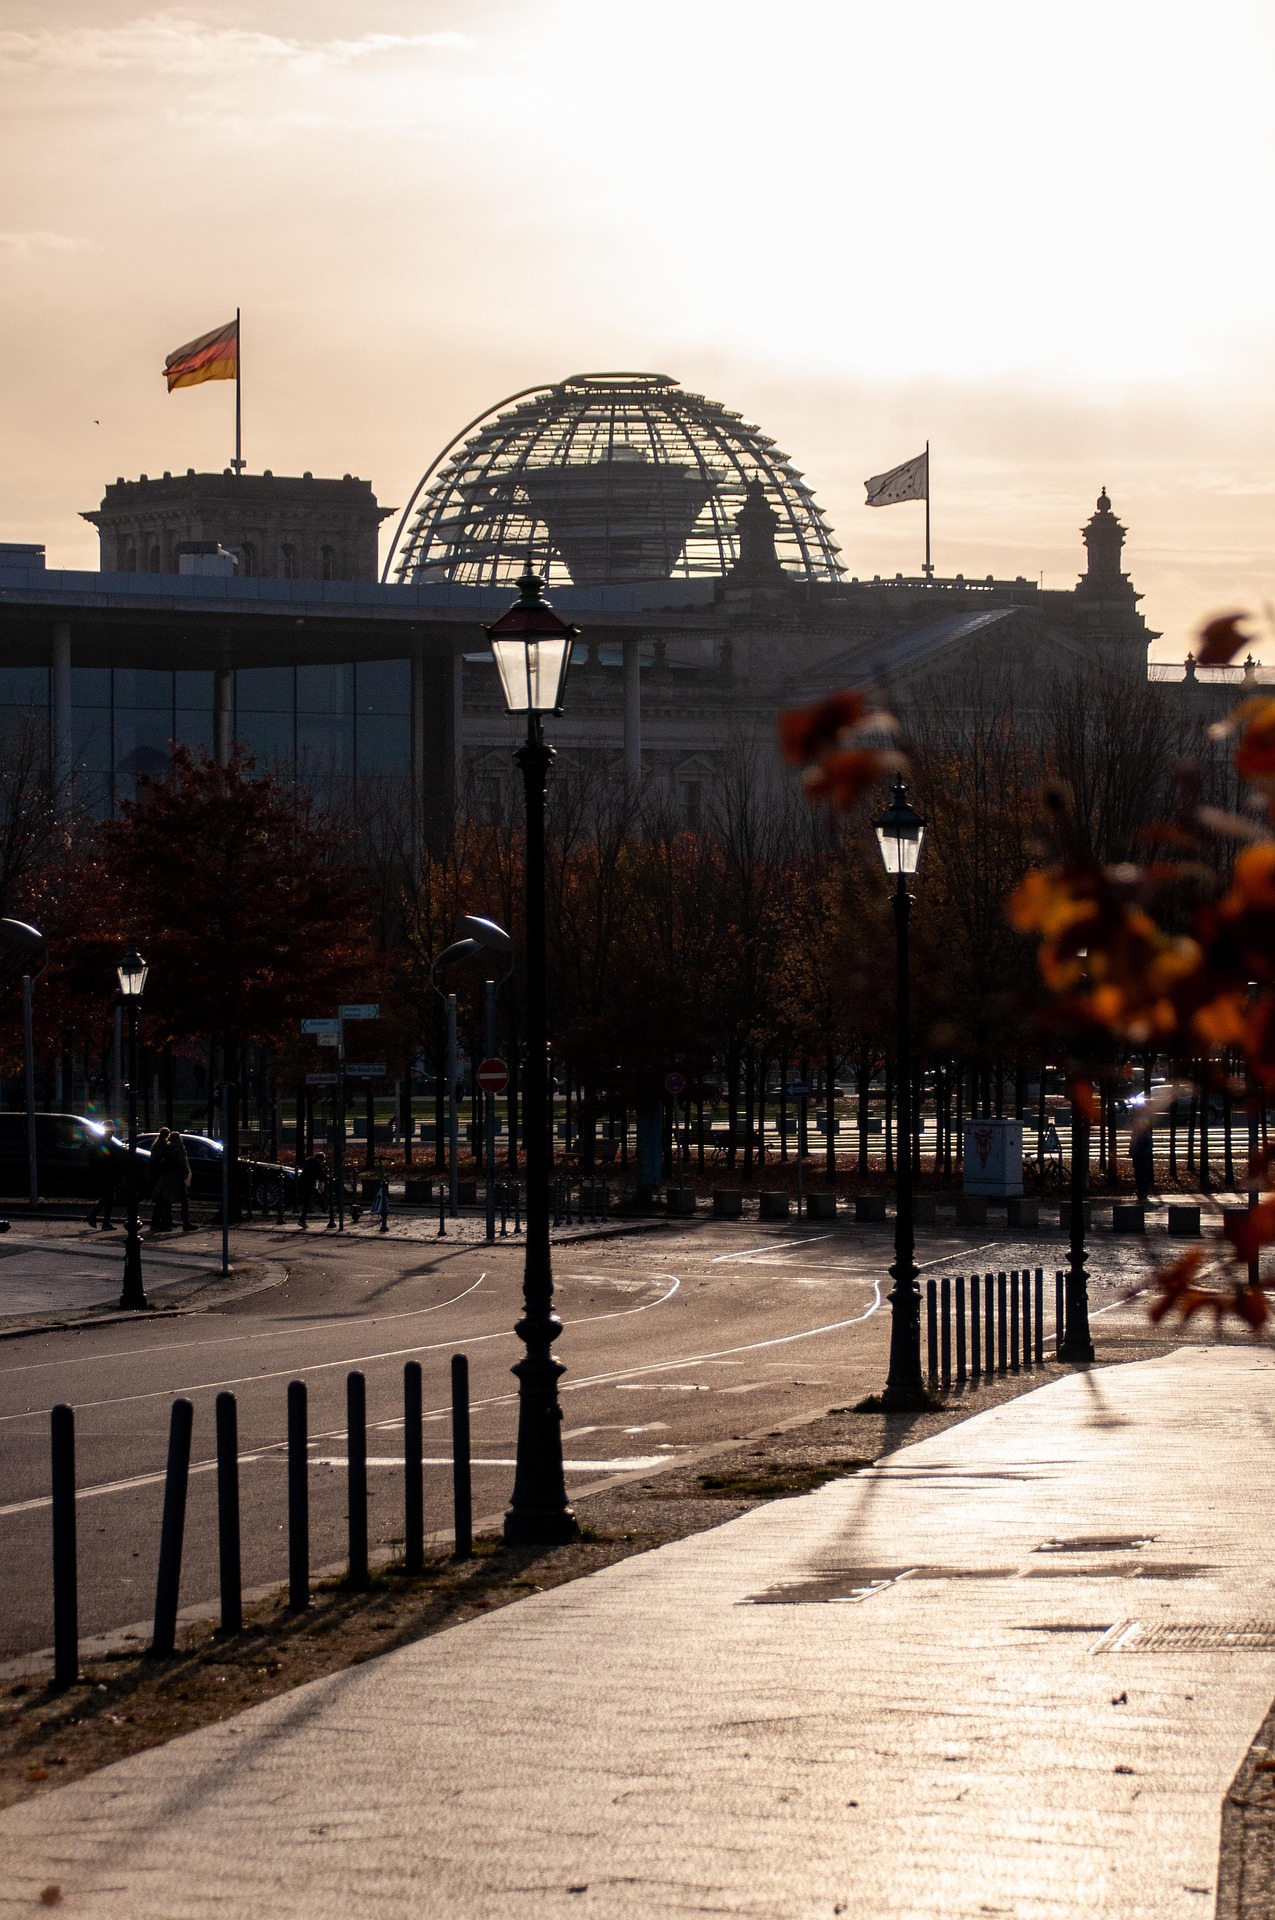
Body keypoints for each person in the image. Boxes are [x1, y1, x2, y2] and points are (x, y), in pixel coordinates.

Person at [87, 1120, 119, 1229]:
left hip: (106, 1171)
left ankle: (100, 1218)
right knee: (109, 1197)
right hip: (108, 1172)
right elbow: (107, 1157)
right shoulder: (106, 1142)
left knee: (108, 1197)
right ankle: (101, 1219)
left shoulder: (103, 1140)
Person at [298, 1148, 327, 1229]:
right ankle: (324, 1208)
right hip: (309, 1184)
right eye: (322, 1161)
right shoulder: (317, 1163)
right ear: (320, 1159)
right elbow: (321, 1175)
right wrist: (328, 1178)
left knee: (308, 1200)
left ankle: (302, 1219)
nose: (322, 1163)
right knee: (314, 1196)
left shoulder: (309, 1162)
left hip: (303, 1183)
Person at [1130, 1125, 1154, 1206]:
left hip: (1141, 1157)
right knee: (1139, 1174)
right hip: (1139, 1157)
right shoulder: (1142, 1135)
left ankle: (1142, 1192)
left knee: (1141, 1174)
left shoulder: (1142, 1135)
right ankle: (1142, 1191)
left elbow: (1133, 1145)